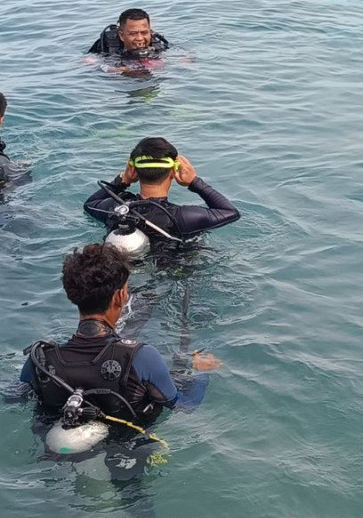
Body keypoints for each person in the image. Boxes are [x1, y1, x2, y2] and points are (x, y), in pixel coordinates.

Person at [20, 243, 214, 428]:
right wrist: (202, 373)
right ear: (120, 296)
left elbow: (14, 397)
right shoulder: (142, 357)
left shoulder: (41, 360)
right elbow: (185, 405)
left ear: (72, 295)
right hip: (128, 452)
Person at [83, 137, 240, 243]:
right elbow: (230, 212)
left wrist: (122, 180)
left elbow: (89, 204)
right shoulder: (183, 217)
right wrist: (194, 181)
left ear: (134, 171)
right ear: (172, 173)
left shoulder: (115, 209)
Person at [88, 8, 169, 60]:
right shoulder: (106, 45)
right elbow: (89, 60)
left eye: (144, 33)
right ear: (121, 35)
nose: (140, 38)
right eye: (133, 34)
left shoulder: (156, 44)